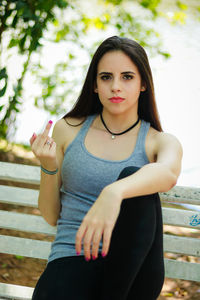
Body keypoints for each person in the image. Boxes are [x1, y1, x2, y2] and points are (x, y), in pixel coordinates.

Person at [30, 36, 182, 300]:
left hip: (132, 270)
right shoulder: (69, 129)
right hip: (72, 257)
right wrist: (49, 166)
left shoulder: (160, 141)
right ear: (95, 85)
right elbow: (51, 216)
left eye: (127, 77)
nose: (115, 87)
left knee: (135, 175)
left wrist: (114, 193)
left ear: (143, 83)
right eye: (106, 77)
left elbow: (168, 173)